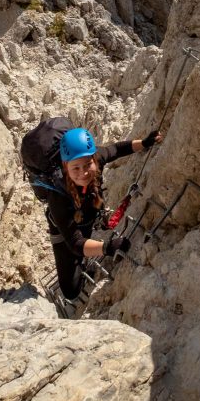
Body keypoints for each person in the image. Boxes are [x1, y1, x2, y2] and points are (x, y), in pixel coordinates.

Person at [45, 125, 162, 304]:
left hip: (87, 217)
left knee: (83, 245)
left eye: (87, 165)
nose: (84, 173)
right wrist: (107, 247)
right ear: (65, 166)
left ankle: (84, 259)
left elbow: (116, 149)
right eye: (76, 168)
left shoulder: (97, 158)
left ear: (94, 158)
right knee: (70, 290)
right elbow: (75, 243)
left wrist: (145, 142)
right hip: (65, 228)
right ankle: (81, 266)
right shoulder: (57, 196)